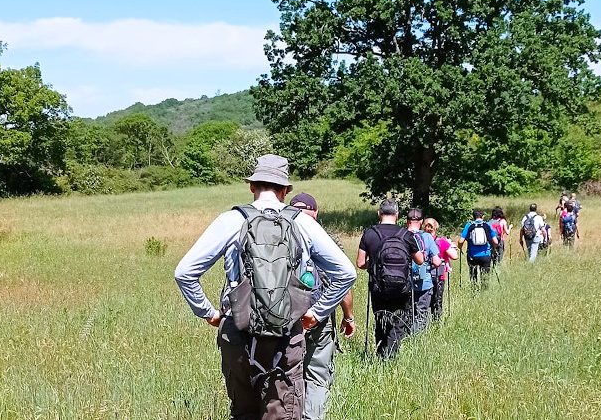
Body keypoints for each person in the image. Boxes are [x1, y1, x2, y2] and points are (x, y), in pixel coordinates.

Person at [174, 154, 356, 420]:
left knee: (244, 412)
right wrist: (316, 313)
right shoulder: (302, 222)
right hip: (286, 334)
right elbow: (346, 273)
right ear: (284, 191)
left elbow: (184, 272)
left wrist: (210, 313)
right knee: (282, 412)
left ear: (252, 187)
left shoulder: (231, 220)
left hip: (237, 329)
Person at [289, 192, 356, 420]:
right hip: (318, 315)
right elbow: (343, 284)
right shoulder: (327, 239)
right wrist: (348, 317)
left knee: (286, 373)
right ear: (315, 213)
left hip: (283, 315)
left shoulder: (278, 235)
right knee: (317, 374)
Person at [357, 199, 425, 359]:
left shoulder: (369, 233)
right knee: (398, 322)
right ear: (397, 214)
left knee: (381, 319)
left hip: (378, 286)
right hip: (402, 288)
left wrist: (376, 265)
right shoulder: (406, 235)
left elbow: (360, 263)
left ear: (379, 213)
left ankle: (381, 355)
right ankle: (391, 357)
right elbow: (420, 260)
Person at [405, 207, 442, 333]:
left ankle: (405, 336)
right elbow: (437, 261)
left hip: (405, 282)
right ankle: (417, 340)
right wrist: (427, 266)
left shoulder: (401, 235)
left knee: (407, 312)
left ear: (407, 221)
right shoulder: (427, 237)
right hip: (423, 282)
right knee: (421, 314)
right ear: (421, 222)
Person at [422, 217, 458, 321]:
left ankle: (422, 324)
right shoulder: (441, 242)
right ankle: (436, 324)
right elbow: (455, 256)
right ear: (436, 227)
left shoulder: (420, 240)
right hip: (439, 276)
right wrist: (450, 245)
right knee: (437, 302)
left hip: (423, 275)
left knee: (423, 301)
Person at [458, 209, 498, 289]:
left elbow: (460, 241)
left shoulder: (469, 225)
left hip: (472, 255)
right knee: (485, 277)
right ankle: (484, 293)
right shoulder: (487, 225)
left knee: (473, 276)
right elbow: (496, 242)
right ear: (482, 216)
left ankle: (474, 292)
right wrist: (493, 249)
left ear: (473, 217)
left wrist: (460, 248)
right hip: (486, 255)